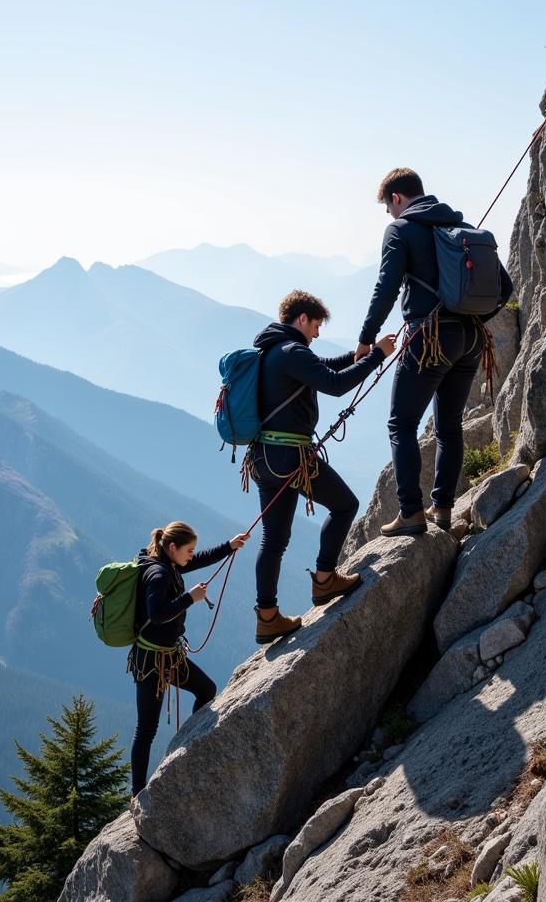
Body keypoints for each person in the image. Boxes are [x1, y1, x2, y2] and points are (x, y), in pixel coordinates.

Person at [355, 168, 514, 537]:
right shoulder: (464, 229)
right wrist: (472, 317)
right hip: (471, 339)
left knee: (401, 424)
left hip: (428, 338)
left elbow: (387, 287)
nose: (390, 215)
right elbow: (504, 287)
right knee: (449, 426)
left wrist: (366, 338)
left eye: (388, 207)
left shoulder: (400, 230)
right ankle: (442, 509)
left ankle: (411, 513)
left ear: (396, 198)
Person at [248, 290, 397, 644]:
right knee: (346, 505)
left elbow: (323, 368)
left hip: (264, 458)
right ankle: (325, 577)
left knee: (273, 540)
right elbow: (335, 384)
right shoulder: (291, 351)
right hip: (290, 457)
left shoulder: (273, 351)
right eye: (315, 326)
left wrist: (356, 354)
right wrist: (378, 356)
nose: (316, 333)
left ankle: (267, 617)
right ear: (302, 319)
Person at [128, 521, 249, 797]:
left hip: (167, 656)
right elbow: (157, 613)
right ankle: (137, 794)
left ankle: (188, 748)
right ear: (173, 547)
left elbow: (201, 559)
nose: (192, 555)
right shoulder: (158, 573)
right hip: (151, 662)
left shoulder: (168, 562)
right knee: (146, 728)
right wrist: (189, 598)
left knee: (206, 689)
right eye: (189, 550)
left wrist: (228, 546)